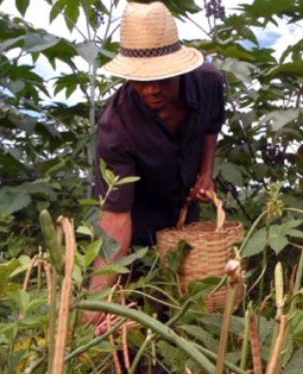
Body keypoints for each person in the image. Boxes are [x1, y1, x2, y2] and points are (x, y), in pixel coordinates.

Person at [87, 2, 225, 317]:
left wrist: (206, 173)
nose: (151, 89)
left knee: (191, 307)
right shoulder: (116, 127)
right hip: (137, 224)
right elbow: (115, 218)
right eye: (141, 79)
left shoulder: (208, 83)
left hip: (184, 215)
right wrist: (95, 304)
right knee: (137, 314)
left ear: (180, 68)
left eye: (162, 78)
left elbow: (210, 128)